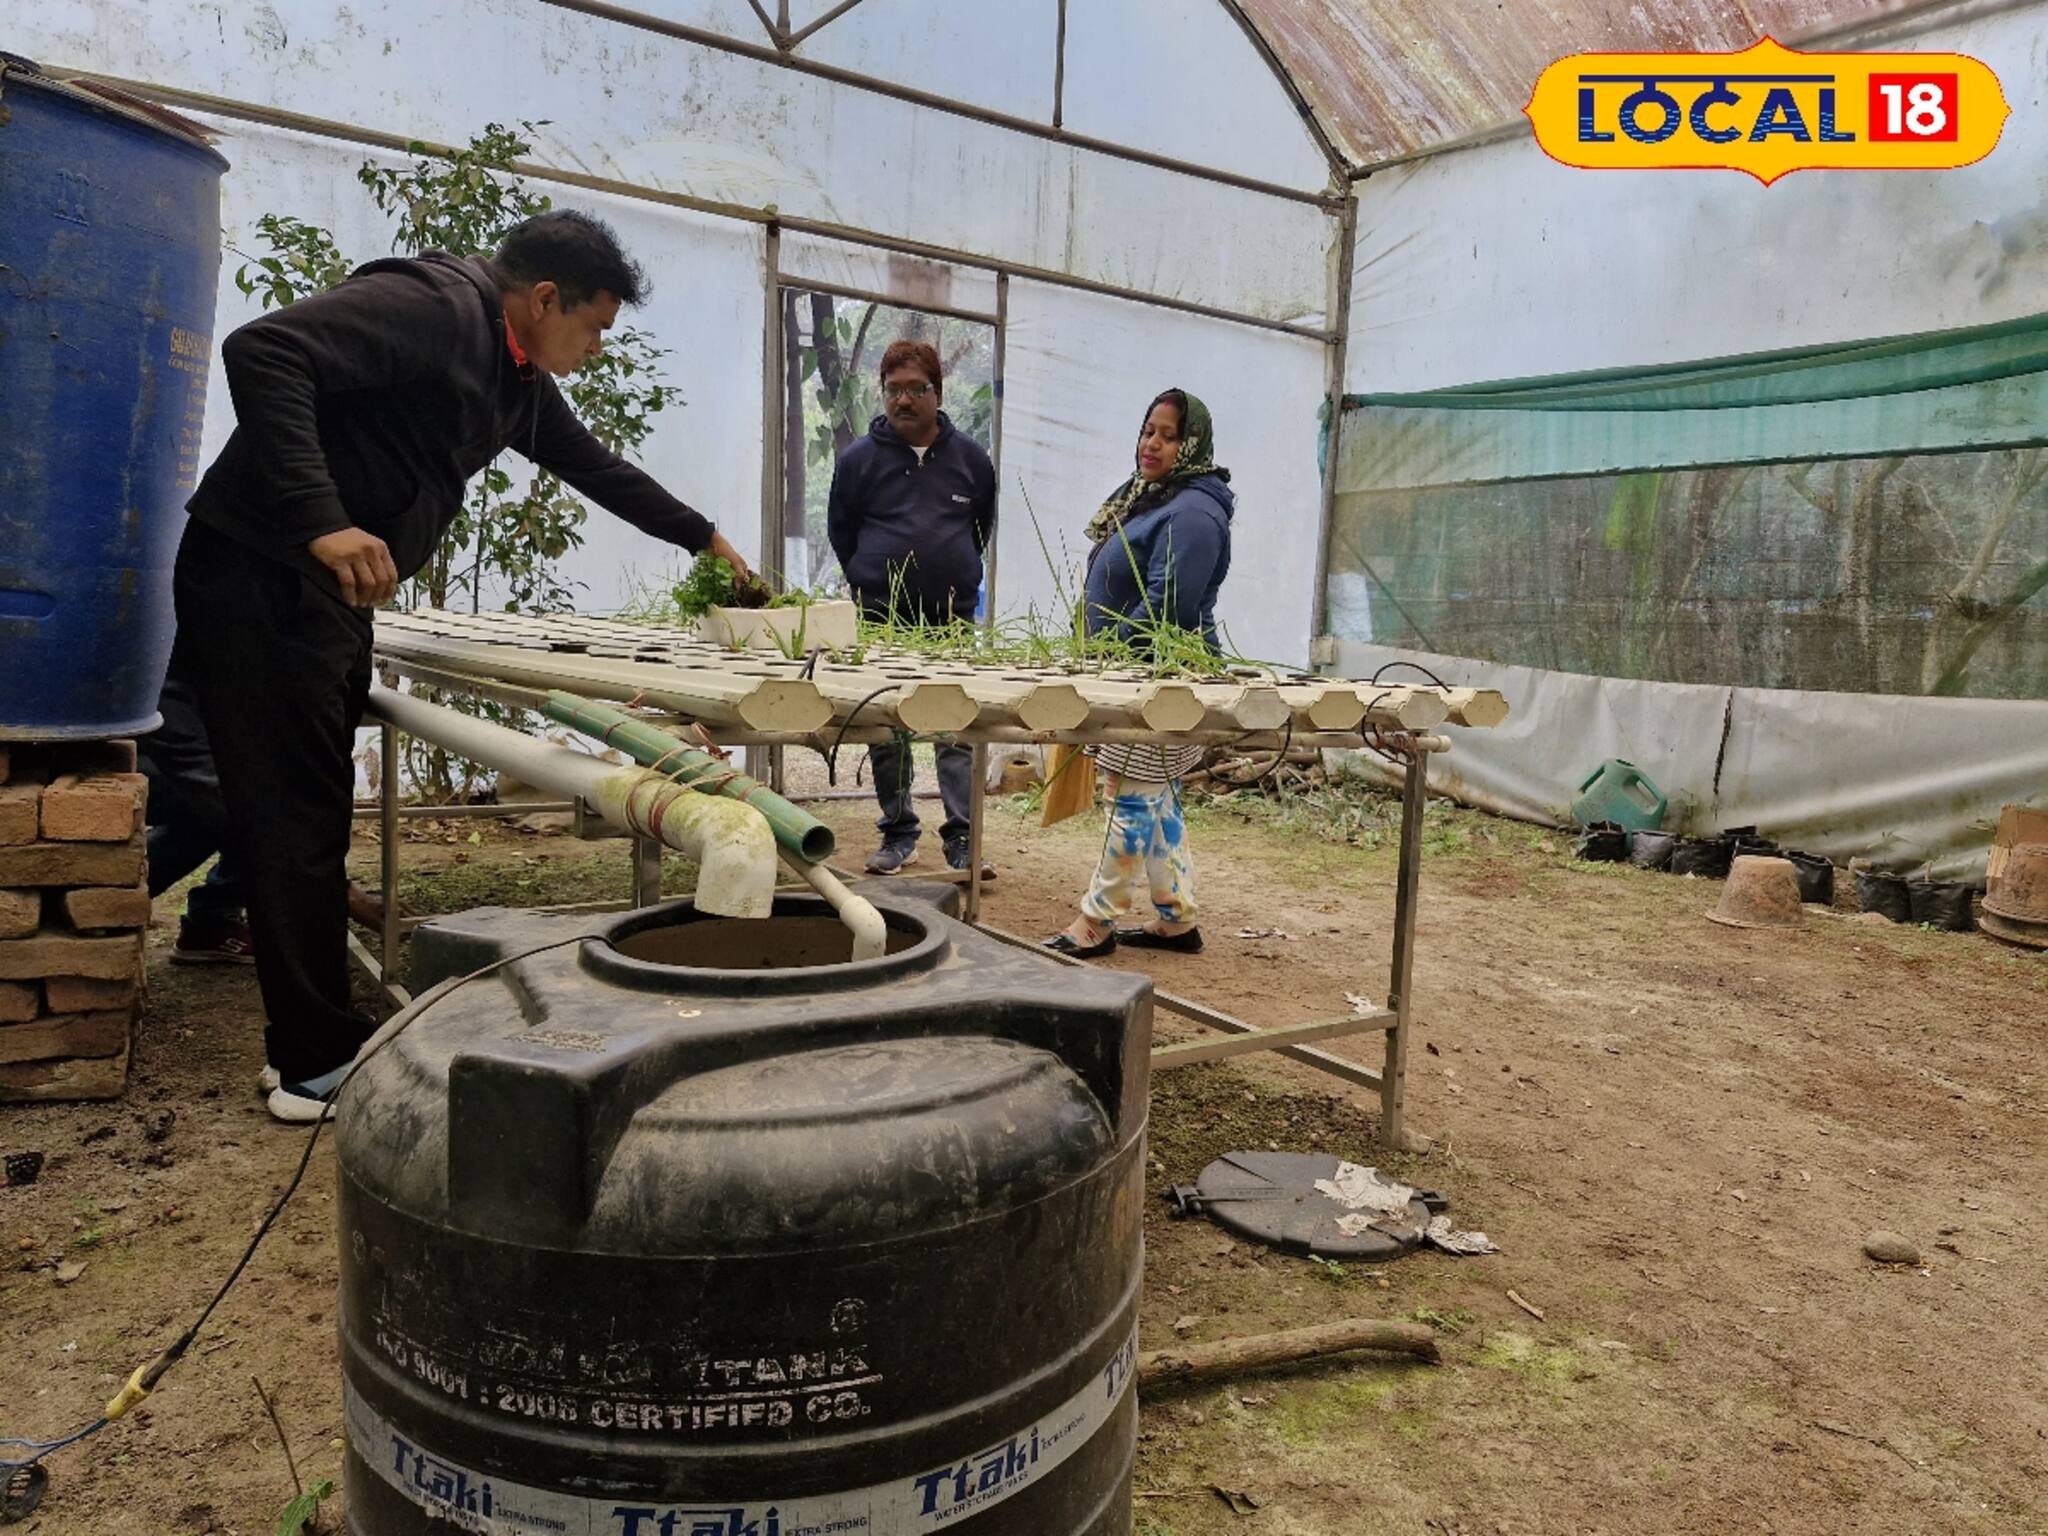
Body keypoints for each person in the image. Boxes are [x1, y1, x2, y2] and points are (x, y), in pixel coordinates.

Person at [166, 209, 750, 1122]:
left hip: (316, 593)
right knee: (291, 819)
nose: (596, 348)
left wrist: (702, 536)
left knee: (304, 811)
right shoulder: (438, 308)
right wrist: (322, 518)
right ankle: (310, 1064)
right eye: (594, 327)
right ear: (544, 297)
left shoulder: (513, 378)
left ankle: (313, 1038)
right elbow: (264, 351)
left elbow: (593, 466)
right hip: (265, 575)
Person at [1043, 389, 1233, 959]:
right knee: (1156, 799)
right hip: (1135, 677)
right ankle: (1177, 918)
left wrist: (1103, 662)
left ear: (1192, 445)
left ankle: (1096, 921)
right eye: (1149, 429)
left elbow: (1166, 614)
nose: (1152, 443)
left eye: (1169, 435)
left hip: (1162, 682)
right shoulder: (1158, 499)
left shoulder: (1194, 514)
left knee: (1132, 797)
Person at [826, 339, 996, 877]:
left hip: (949, 616)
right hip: (882, 615)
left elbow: (979, 530)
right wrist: (869, 574)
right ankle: (898, 834)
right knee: (887, 723)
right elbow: (842, 532)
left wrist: (952, 567)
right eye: (893, 390)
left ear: (937, 394)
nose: (903, 401)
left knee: (953, 724)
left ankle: (962, 837)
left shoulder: (971, 460)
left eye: (915, 390)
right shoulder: (858, 461)